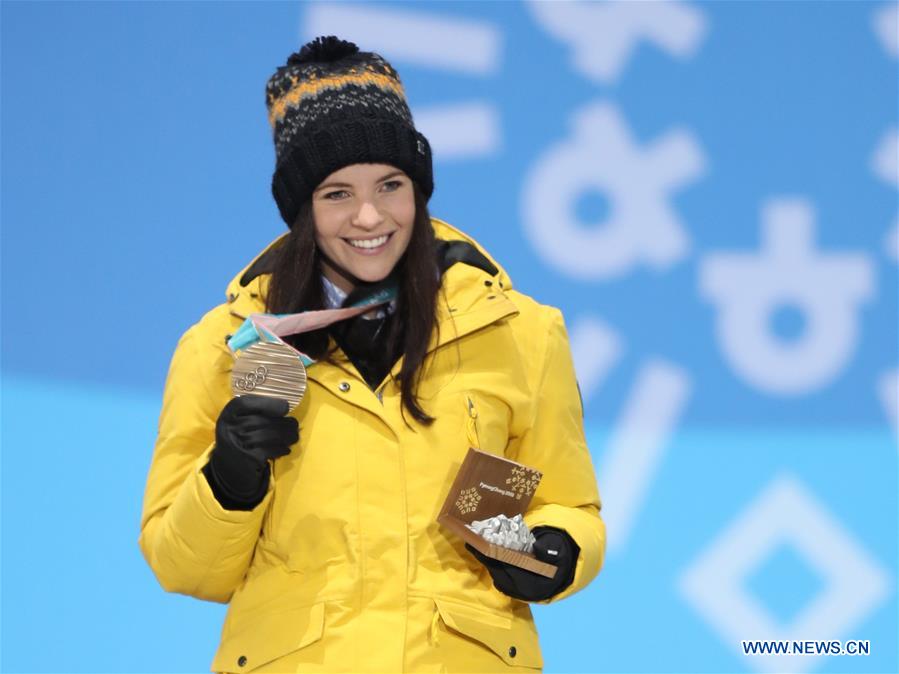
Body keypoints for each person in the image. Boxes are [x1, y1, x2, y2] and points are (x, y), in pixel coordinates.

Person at [138, 35, 605, 674]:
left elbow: (570, 505)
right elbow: (180, 565)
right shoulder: (223, 347)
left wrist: (554, 552)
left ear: (419, 189)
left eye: (390, 185)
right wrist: (228, 478)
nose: (368, 216)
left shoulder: (521, 330)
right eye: (336, 194)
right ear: (301, 209)